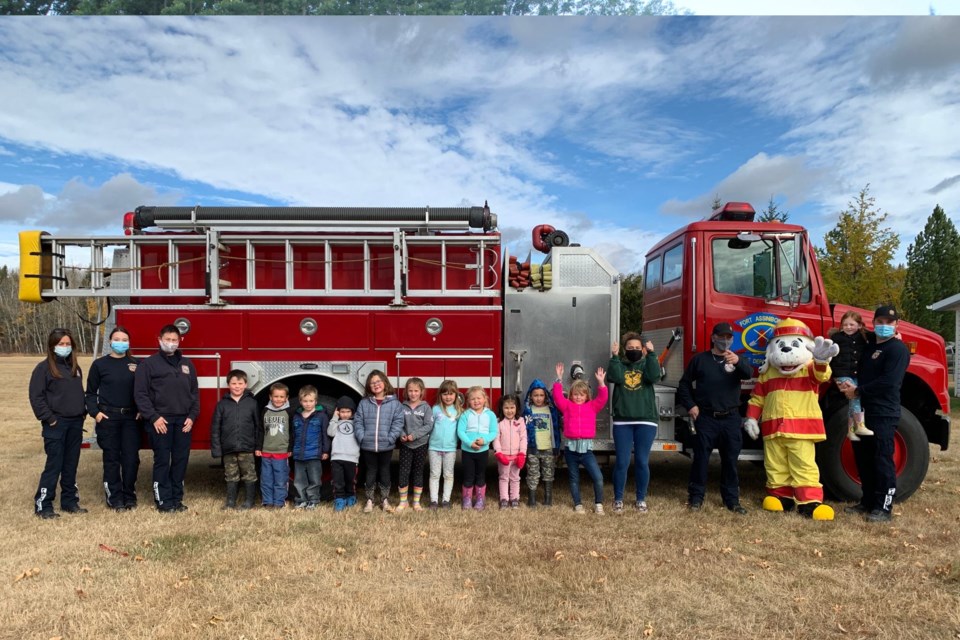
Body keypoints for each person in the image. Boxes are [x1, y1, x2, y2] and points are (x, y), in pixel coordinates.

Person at [840, 305, 910, 523]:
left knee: (882, 458)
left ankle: (884, 507)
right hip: (861, 411)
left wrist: (858, 391)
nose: (884, 326)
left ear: (896, 325)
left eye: (889, 323)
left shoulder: (897, 349)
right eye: (880, 322)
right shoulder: (869, 347)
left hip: (883, 412)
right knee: (863, 457)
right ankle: (868, 501)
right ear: (873, 324)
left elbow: (890, 382)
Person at [677, 322, 752, 514]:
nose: (724, 341)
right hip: (707, 417)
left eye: (728, 337)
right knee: (701, 459)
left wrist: (738, 362)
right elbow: (684, 384)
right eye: (721, 337)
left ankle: (732, 501)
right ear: (713, 338)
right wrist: (691, 406)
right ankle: (696, 498)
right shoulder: (700, 360)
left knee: (731, 461)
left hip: (731, 418)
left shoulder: (736, 360)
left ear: (732, 340)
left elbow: (749, 373)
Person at [134, 324, 199, 513]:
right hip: (160, 422)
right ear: (159, 340)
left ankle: (177, 499)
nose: (171, 343)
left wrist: (192, 417)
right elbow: (141, 395)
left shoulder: (187, 364)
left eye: (174, 340)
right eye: (167, 340)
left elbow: (194, 393)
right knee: (162, 460)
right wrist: (154, 418)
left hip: (183, 422)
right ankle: (163, 500)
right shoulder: (148, 364)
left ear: (180, 341)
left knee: (180, 460)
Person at [29, 328, 88, 519]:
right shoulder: (43, 368)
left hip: (75, 424)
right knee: (54, 464)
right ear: (52, 346)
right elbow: (36, 398)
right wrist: (50, 419)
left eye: (68, 344)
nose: (65, 347)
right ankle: (43, 504)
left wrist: (82, 413)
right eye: (61, 344)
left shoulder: (74, 368)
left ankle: (69, 501)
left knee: (71, 465)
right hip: (56, 424)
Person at [85, 326, 141, 512]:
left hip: (131, 418)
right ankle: (114, 497)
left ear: (129, 342)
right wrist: (96, 413)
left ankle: (129, 495)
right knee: (111, 459)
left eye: (124, 339)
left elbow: (144, 391)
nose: (120, 342)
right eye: (117, 339)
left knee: (131, 459)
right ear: (110, 342)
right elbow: (90, 393)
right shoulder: (100, 365)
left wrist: (141, 410)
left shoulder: (136, 364)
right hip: (108, 418)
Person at [607, 332, 661, 514]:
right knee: (622, 462)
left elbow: (654, 377)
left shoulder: (647, 363)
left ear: (643, 349)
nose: (634, 351)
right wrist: (614, 357)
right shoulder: (620, 364)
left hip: (646, 420)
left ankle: (641, 499)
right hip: (623, 421)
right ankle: (618, 499)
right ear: (625, 350)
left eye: (638, 348)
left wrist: (652, 354)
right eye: (630, 348)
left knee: (641, 461)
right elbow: (615, 378)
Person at [553, 363, 609, 515]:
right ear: (571, 395)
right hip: (571, 450)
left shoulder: (592, 406)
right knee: (573, 478)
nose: (578, 397)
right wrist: (559, 379)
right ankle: (578, 504)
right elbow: (557, 397)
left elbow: (603, 398)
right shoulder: (567, 406)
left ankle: (598, 504)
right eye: (575, 394)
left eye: (582, 394)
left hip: (587, 451)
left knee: (598, 477)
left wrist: (601, 383)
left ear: (587, 396)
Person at [354, 370, 405, 513]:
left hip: (386, 446)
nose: (375, 385)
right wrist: (361, 437)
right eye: (372, 383)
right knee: (370, 471)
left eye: (378, 381)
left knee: (384, 471)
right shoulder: (364, 403)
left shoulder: (395, 404)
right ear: (369, 387)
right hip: (368, 445)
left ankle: (384, 500)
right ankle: (369, 500)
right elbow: (358, 421)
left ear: (385, 382)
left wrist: (390, 438)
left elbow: (398, 422)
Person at [210, 369, 261, 510]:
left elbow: (258, 427)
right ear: (228, 385)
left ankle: (249, 502)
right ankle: (230, 502)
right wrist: (216, 449)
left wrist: (258, 446)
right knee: (231, 475)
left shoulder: (252, 403)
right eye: (233, 383)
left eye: (240, 383)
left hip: (247, 448)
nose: (237, 386)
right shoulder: (222, 405)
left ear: (245, 385)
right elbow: (215, 428)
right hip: (228, 448)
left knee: (249, 475)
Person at [829, 311, 873, 441]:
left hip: (855, 374)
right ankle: (860, 425)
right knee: (855, 395)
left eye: (852, 324)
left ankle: (850, 431)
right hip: (841, 373)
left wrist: (896, 335)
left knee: (852, 402)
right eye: (845, 324)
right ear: (841, 326)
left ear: (859, 325)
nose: (848, 327)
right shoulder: (836, 338)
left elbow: (877, 336)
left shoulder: (863, 336)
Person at [457, 386, 499, 510]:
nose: (476, 401)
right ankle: (467, 499)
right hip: (468, 451)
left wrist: (485, 441)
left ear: (485, 399)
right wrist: (470, 443)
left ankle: (480, 499)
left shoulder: (490, 415)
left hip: (483, 451)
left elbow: (493, 432)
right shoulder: (465, 414)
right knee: (468, 476)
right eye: (473, 399)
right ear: (468, 401)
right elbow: (460, 432)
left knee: (480, 475)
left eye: (479, 398)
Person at [396, 377, 434, 512]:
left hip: (420, 444)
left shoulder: (426, 407)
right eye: (410, 390)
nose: (413, 393)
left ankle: (416, 502)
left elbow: (429, 425)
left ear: (421, 391)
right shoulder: (401, 406)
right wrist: (401, 434)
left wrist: (415, 435)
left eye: (416, 391)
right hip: (406, 445)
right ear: (406, 391)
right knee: (404, 472)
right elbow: (398, 423)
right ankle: (403, 501)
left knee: (418, 472)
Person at [523, 378, 561, 507]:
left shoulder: (551, 410)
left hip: (548, 448)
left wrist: (556, 447)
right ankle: (532, 500)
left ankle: (548, 499)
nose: (538, 398)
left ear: (545, 396)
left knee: (548, 473)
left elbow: (555, 430)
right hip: (533, 448)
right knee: (532, 473)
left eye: (541, 395)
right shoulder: (528, 411)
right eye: (535, 395)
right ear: (530, 396)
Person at [291, 385, 330, 510]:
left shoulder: (321, 416)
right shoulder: (296, 416)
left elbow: (325, 434)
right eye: (305, 401)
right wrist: (291, 449)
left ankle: (313, 500)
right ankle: (301, 500)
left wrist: (325, 450)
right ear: (300, 401)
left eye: (311, 401)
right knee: (299, 480)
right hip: (298, 454)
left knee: (315, 479)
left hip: (314, 454)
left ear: (316, 401)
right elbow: (292, 435)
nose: (308, 404)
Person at [259, 382, 295, 510]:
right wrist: (259, 447)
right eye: (275, 396)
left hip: (281, 451)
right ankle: (267, 501)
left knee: (280, 479)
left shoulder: (289, 412)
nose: (278, 399)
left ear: (286, 398)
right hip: (266, 451)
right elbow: (261, 430)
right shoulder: (265, 411)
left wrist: (290, 448)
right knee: (266, 478)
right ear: (270, 397)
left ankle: (279, 502)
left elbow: (292, 432)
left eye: (281, 397)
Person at [428, 380, 462, 510]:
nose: (448, 397)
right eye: (445, 394)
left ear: (456, 395)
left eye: (451, 394)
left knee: (448, 475)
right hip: (434, 448)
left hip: (450, 449)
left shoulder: (458, 411)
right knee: (434, 474)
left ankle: (446, 500)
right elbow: (430, 427)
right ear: (440, 395)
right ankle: (434, 501)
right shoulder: (436, 409)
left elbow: (460, 430)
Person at [492, 393, 527, 509]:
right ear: (502, 408)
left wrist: (522, 453)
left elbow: (523, 438)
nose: (509, 411)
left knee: (515, 478)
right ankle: (504, 499)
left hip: (517, 456)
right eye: (506, 408)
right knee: (503, 477)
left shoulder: (521, 421)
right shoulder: (499, 422)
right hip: (504, 456)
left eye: (512, 407)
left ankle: (515, 498)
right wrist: (499, 452)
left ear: (516, 408)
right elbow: (496, 438)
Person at [328, 396, 360, 512]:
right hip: (337, 457)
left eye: (348, 412)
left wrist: (356, 418)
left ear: (352, 412)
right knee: (338, 481)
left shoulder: (356, 424)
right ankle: (339, 499)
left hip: (351, 457)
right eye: (342, 412)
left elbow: (360, 434)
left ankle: (351, 496)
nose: (345, 414)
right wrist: (335, 417)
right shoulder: (336, 423)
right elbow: (330, 433)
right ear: (338, 412)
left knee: (350, 480)